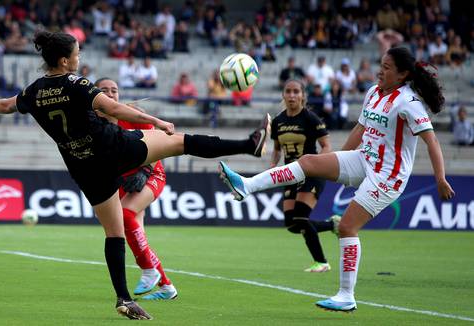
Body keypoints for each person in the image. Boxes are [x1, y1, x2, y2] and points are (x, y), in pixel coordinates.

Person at [0, 30, 271, 320]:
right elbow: (114, 108)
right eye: (77, 53)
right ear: (64, 61)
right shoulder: (77, 83)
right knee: (181, 142)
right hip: (114, 148)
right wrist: (156, 121)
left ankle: (124, 299)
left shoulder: (34, 91)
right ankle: (249, 144)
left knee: (114, 234)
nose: (79, 56)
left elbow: (5, 105)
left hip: (84, 167)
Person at [219, 47, 455, 312]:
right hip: (364, 158)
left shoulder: (409, 103)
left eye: (387, 67)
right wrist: (340, 162)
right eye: (382, 64)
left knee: (346, 228)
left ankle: (346, 296)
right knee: (308, 161)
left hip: (388, 177)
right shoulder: (374, 92)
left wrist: (440, 178)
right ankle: (247, 185)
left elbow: (431, 140)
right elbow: (360, 128)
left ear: (403, 74)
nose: (380, 70)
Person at [94, 77, 177, 300]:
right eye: (104, 90)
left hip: (150, 174)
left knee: (125, 215)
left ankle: (148, 270)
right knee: (134, 233)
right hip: (122, 181)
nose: (111, 94)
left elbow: (157, 144)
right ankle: (167, 287)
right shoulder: (92, 123)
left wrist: (144, 169)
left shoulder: (132, 115)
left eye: (114, 90)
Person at [271, 79, 339, 273]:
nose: (292, 95)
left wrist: (320, 165)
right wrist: (271, 168)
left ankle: (322, 262)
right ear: (283, 95)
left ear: (303, 96)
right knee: (291, 224)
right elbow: (277, 149)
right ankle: (332, 224)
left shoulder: (310, 119)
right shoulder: (278, 121)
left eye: (296, 92)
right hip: (289, 175)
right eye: (288, 91)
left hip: (311, 173)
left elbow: (326, 145)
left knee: (301, 217)